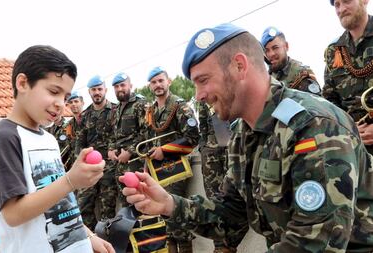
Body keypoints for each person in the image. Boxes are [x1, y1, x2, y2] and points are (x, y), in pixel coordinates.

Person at [121, 23, 373, 252]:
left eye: (204, 81)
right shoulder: (243, 134)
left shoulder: (314, 127)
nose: (198, 95)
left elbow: (316, 242)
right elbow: (229, 216)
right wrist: (169, 204)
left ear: (239, 66)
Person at [0, 45, 114, 253]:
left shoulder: (49, 139)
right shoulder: (5, 138)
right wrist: (71, 180)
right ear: (23, 83)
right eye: (54, 91)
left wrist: (88, 235)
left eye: (65, 96)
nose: (61, 104)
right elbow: (13, 214)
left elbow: (62, 201)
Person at [145, 66, 199, 253]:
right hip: (157, 170)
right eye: (154, 82)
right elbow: (150, 139)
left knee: (177, 217)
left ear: (169, 82)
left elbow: (193, 138)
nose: (158, 85)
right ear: (150, 86)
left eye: (161, 80)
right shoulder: (151, 110)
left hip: (176, 168)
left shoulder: (180, 105)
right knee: (165, 221)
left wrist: (164, 150)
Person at [323, 0, 373, 153]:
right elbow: (329, 103)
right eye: (337, 4)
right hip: (352, 151)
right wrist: (347, 129)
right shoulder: (334, 52)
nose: (341, 9)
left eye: (346, 1)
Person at [75, 75, 118, 229]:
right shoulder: (84, 116)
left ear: (105, 90)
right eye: (94, 90)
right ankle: (94, 239)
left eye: (99, 89)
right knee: (82, 206)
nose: (97, 92)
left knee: (108, 209)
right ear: (89, 92)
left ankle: (109, 243)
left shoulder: (115, 111)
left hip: (110, 167)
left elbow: (120, 136)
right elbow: (79, 143)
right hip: (90, 168)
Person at [197, 101, 232, 252]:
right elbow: (203, 126)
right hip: (211, 154)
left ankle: (228, 245)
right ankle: (220, 247)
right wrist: (204, 148)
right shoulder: (203, 100)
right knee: (214, 201)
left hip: (233, 144)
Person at [107, 72, 147, 206]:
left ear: (130, 85)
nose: (119, 89)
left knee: (139, 199)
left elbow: (146, 132)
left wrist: (130, 151)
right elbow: (113, 133)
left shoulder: (140, 104)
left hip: (136, 162)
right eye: (116, 86)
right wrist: (111, 149)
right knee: (125, 201)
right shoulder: (116, 109)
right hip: (119, 163)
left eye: (122, 85)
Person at [261, 26, 321, 95]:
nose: (271, 54)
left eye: (275, 48)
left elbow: (314, 104)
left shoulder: (301, 74)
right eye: (266, 50)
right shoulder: (266, 78)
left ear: (286, 46)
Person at [64, 90, 85, 170]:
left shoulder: (90, 120)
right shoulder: (69, 125)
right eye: (71, 102)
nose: (73, 104)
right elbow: (69, 148)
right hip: (75, 167)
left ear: (82, 103)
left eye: (76, 101)